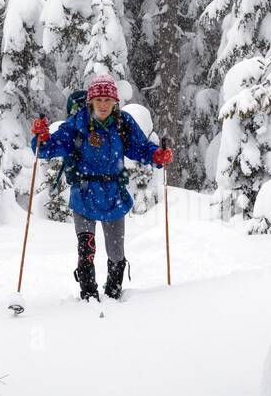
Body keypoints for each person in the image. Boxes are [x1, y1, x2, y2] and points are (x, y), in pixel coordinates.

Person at [31, 75, 172, 301]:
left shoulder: (122, 123)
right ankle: (88, 295)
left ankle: (113, 294)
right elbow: (46, 149)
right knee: (86, 249)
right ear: (91, 102)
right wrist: (41, 137)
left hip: (114, 194)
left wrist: (157, 155)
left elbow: (141, 148)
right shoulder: (77, 125)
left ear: (115, 102)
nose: (104, 105)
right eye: (99, 100)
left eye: (108, 100)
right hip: (84, 193)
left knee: (116, 254)